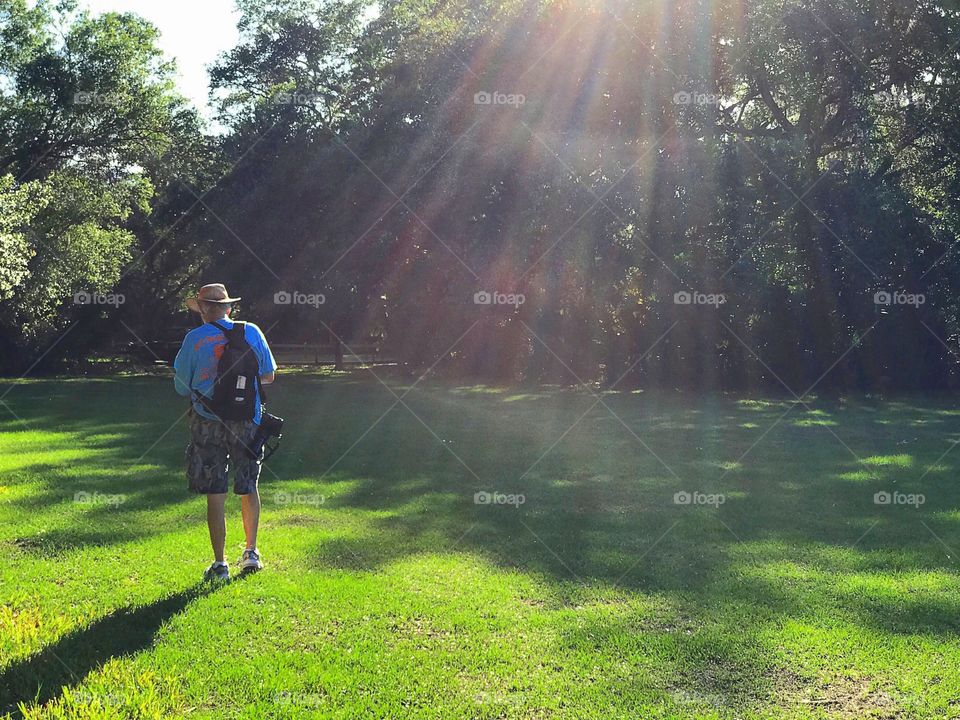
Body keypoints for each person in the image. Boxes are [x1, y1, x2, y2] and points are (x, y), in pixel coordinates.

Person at [173, 284, 278, 582]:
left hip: (206, 422)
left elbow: (181, 386)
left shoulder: (194, 339)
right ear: (229, 308)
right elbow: (269, 374)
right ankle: (251, 554)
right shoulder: (251, 332)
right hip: (247, 420)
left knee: (215, 490)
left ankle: (220, 565)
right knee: (248, 484)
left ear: (204, 309)